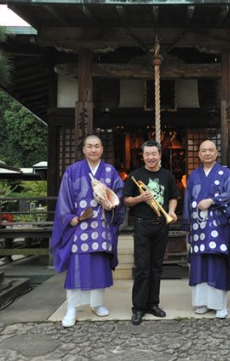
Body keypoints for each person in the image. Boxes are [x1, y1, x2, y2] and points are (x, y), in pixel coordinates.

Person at [50, 135, 125, 328]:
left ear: (102, 149)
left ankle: (96, 304)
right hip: (80, 227)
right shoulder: (73, 171)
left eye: (97, 146)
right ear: (83, 149)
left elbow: (119, 196)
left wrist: (111, 206)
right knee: (77, 267)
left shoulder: (110, 171)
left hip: (102, 227)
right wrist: (70, 218)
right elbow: (64, 198)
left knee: (99, 266)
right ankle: (72, 308)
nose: (93, 150)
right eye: (89, 146)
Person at [123, 140, 181, 325]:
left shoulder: (167, 175)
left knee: (157, 267)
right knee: (142, 267)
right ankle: (138, 308)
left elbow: (173, 197)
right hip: (142, 225)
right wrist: (140, 198)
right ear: (143, 155)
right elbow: (126, 201)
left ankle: (152, 304)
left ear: (159, 155)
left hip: (161, 224)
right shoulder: (135, 175)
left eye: (153, 154)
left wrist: (171, 212)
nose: (150, 157)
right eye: (147, 154)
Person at [182, 140, 230, 319]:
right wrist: (187, 223)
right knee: (200, 262)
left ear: (216, 153)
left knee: (217, 262)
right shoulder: (194, 176)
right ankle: (203, 302)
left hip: (219, 226)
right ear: (198, 154)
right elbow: (188, 200)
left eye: (210, 150)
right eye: (203, 150)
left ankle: (220, 304)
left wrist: (212, 201)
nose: (207, 153)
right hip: (199, 226)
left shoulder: (226, 173)